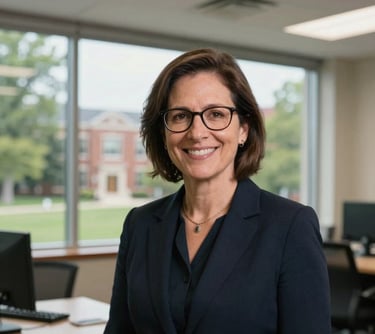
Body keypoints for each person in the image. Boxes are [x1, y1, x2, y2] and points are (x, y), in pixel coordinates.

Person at [104, 48, 331, 334]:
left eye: (216, 114)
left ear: (243, 130)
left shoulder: (289, 226)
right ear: (163, 133)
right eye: (180, 116)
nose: (197, 132)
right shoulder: (140, 224)